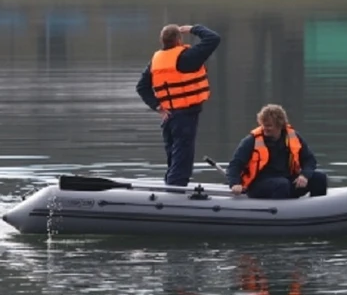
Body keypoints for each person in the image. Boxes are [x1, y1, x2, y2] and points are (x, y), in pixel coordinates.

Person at [136, 23, 221, 186]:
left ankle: (170, 186)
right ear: (179, 39)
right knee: (182, 158)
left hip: (168, 117)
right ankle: (175, 193)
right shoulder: (188, 57)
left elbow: (142, 87)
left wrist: (157, 106)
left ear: (162, 41)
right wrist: (193, 29)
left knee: (173, 158)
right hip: (185, 116)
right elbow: (213, 38)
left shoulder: (156, 61)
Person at [225, 104, 328, 199]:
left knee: (319, 178)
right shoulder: (251, 141)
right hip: (259, 184)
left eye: (269, 125)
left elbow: (309, 160)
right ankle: (279, 215)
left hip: (286, 180)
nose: (265, 128)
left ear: (280, 125)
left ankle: (316, 211)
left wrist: (304, 175)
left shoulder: (293, 137)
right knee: (282, 184)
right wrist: (235, 183)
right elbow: (235, 165)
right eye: (263, 125)